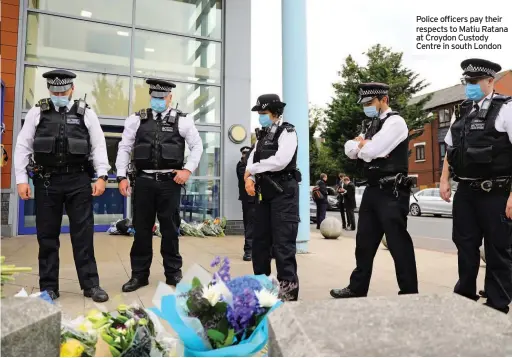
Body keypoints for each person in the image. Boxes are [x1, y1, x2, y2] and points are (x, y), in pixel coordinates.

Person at [14, 69, 110, 302]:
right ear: (49, 90)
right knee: (47, 236)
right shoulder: (38, 112)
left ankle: (91, 285)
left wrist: (102, 176)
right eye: (54, 91)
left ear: (72, 89)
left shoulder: (86, 113)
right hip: (47, 181)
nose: (58, 94)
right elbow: (23, 146)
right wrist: (21, 180)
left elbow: (98, 146)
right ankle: (49, 287)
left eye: (63, 91)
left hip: (78, 181)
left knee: (83, 235)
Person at [330, 82, 418, 299]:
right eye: (365, 103)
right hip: (372, 190)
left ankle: (409, 292)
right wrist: (363, 146)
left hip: (392, 191)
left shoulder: (396, 122)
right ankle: (357, 288)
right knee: (364, 244)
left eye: (370, 103)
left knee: (398, 244)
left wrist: (363, 146)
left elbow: (373, 149)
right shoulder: (370, 125)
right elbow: (350, 150)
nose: (367, 107)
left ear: (384, 100)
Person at [116, 78, 203, 292]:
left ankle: (173, 274)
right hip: (144, 182)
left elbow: (197, 146)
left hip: (169, 183)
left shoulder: (183, 121)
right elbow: (124, 147)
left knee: (170, 230)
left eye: (161, 98)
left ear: (170, 97)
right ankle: (139, 276)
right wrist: (121, 176)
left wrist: (187, 170)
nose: (157, 101)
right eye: (154, 97)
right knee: (142, 230)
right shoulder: (136, 120)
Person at [440, 58, 512, 314]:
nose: (468, 87)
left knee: (497, 248)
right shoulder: (462, 111)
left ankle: (497, 302)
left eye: (473, 82)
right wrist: (444, 179)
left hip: (496, 192)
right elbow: (450, 148)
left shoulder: (506, 108)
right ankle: (465, 294)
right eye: (466, 82)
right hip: (466, 192)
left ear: (491, 81)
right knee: (465, 244)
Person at [244, 93, 300, 301]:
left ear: (276, 113)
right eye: (259, 113)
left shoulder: (288, 132)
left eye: (264, 113)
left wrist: (253, 169)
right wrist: (249, 177)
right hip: (265, 192)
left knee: (283, 244)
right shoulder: (262, 136)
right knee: (259, 242)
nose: (260, 116)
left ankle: (288, 293)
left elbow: (280, 161)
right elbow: (250, 159)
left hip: (283, 192)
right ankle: (261, 288)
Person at [237, 145, 255, 261]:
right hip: (248, 200)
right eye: (243, 154)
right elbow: (245, 176)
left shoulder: (252, 166)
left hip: (256, 199)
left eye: (246, 154)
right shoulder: (241, 166)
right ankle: (248, 251)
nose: (244, 156)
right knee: (250, 226)